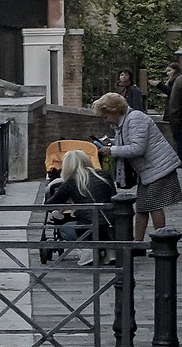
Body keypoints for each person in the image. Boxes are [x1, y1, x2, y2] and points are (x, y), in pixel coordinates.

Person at [96, 89, 179, 242]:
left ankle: (162, 242)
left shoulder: (135, 119)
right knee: (141, 206)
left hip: (158, 167)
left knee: (154, 205)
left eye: (105, 116)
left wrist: (112, 150)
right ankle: (138, 243)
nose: (105, 120)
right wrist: (112, 144)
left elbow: (137, 148)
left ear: (114, 111)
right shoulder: (125, 121)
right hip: (149, 169)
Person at [43, 146, 115, 263]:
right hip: (113, 226)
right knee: (102, 221)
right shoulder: (104, 175)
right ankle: (111, 251)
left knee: (64, 230)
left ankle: (89, 249)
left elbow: (49, 205)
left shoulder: (71, 182)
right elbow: (113, 197)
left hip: (90, 230)